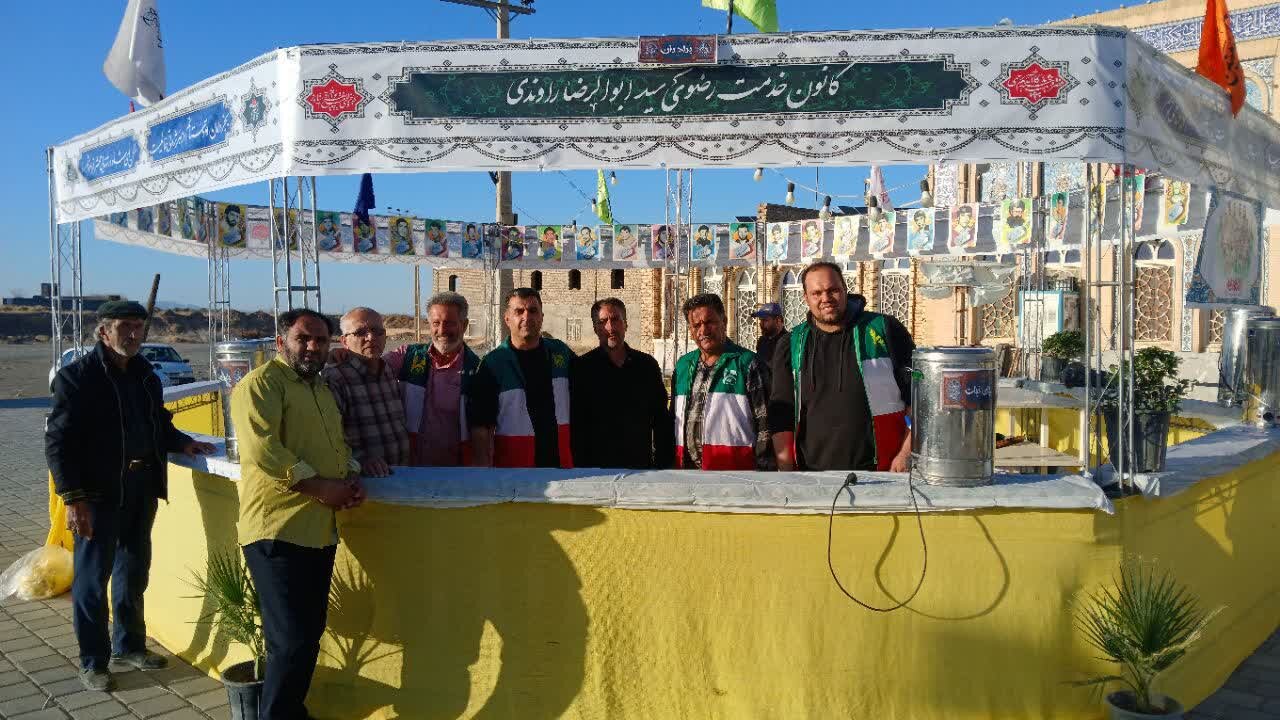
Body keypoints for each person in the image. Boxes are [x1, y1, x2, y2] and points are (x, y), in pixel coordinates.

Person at [46, 300, 214, 691]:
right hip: (96, 495)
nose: (134, 334)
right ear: (104, 331)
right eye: (125, 326)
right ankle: (93, 661)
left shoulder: (145, 375)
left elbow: (159, 422)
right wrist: (73, 499)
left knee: (133, 572)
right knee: (92, 581)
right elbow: (58, 443)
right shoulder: (78, 378)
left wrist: (182, 442)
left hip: (141, 488)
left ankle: (129, 646)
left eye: (139, 326)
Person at [231, 308, 366, 720]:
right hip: (277, 530)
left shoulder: (320, 389)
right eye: (303, 339)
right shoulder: (261, 384)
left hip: (317, 531)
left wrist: (351, 475)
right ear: (281, 342)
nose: (312, 347)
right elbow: (264, 450)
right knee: (289, 641)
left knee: (306, 637)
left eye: (321, 340)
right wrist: (322, 487)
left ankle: (290, 711)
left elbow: (335, 446)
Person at [768, 262, 914, 473]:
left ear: (845, 290)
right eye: (816, 293)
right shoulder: (791, 344)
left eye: (833, 290)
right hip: (811, 474)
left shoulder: (884, 329)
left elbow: (918, 399)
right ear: (806, 298)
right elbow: (782, 413)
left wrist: (905, 453)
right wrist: (786, 468)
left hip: (882, 471)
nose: (825, 298)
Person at [469, 288, 575, 468]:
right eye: (519, 311)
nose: (527, 317)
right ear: (507, 319)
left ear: (542, 316)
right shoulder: (493, 364)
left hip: (560, 467)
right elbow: (481, 425)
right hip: (514, 472)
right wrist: (482, 471)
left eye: (533, 311)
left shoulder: (560, 353)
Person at [571, 298, 675, 469]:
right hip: (595, 471)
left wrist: (662, 465)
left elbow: (661, 420)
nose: (610, 327)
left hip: (640, 470)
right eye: (603, 322)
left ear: (625, 324)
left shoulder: (647, 366)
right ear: (595, 328)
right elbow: (577, 425)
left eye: (616, 319)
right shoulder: (582, 368)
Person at [671, 293, 771, 470]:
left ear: (723, 321)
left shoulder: (747, 363)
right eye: (696, 325)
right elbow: (673, 420)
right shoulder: (683, 366)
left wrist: (764, 472)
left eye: (709, 322)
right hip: (687, 474)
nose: (703, 330)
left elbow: (766, 424)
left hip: (735, 475)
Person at [383, 292, 483, 466]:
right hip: (411, 467)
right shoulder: (408, 356)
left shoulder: (478, 369)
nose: (442, 331)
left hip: (457, 470)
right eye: (436, 323)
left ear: (464, 325)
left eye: (450, 323)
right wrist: (345, 354)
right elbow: (371, 366)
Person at [323, 307, 408, 477]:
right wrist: (360, 459)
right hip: (365, 481)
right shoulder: (335, 379)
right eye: (360, 332)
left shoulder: (388, 371)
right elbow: (327, 437)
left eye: (377, 331)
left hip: (402, 476)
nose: (371, 337)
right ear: (344, 341)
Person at [752, 302, 789, 381]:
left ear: (778, 320)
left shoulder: (788, 342)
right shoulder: (762, 341)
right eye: (760, 320)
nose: (761, 324)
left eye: (765, 320)